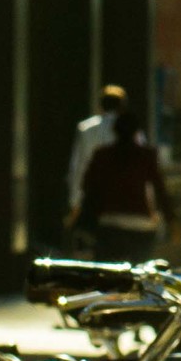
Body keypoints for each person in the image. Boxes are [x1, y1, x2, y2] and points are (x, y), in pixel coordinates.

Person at [80, 108, 166, 260]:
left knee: (107, 274)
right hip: (141, 224)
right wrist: (171, 218)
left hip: (110, 224)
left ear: (115, 130)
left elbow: (87, 185)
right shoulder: (147, 155)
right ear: (136, 132)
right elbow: (160, 189)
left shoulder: (102, 155)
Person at [65, 84, 127, 245]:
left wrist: (75, 203)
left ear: (100, 105)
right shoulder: (131, 130)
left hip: (94, 199)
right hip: (122, 201)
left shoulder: (86, 129)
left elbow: (78, 167)